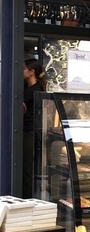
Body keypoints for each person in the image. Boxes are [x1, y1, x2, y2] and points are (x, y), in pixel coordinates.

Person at [23, 58, 46, 198]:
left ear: (31, 72)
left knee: (26, 170)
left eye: (24, 68)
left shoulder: (34, 91)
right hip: (26, 132)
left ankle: (26, 199)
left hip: (29, 132)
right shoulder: (28, 88)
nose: (21, 71)